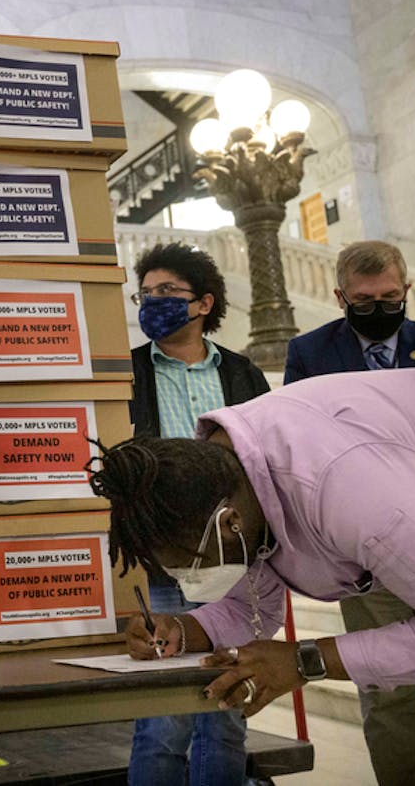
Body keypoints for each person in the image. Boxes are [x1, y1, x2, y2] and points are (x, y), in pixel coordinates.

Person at [88, 369, 415, 786]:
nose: (188, 574)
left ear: (226, 522)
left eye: (189, 560)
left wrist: (304, 660)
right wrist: (186, 629)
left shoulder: (347, 485)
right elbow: (255, 604)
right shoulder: (232, 478)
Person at [285, 240, 415, 786]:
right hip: (368, 554)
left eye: (389, 296)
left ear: (407, 290)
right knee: (387, 693)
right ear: (339, 297)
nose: (378, 307)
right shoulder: (310, 355)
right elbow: (298, 448)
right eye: (363, 299)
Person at [127, 242, 269, 786]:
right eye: (146, 294)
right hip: (165, 560)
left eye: (168, 292)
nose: (153, 303)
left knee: (227, 712)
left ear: (204, 303)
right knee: (163, 719)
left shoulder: (241, 373)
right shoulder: (127, 370)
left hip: (236, 561)